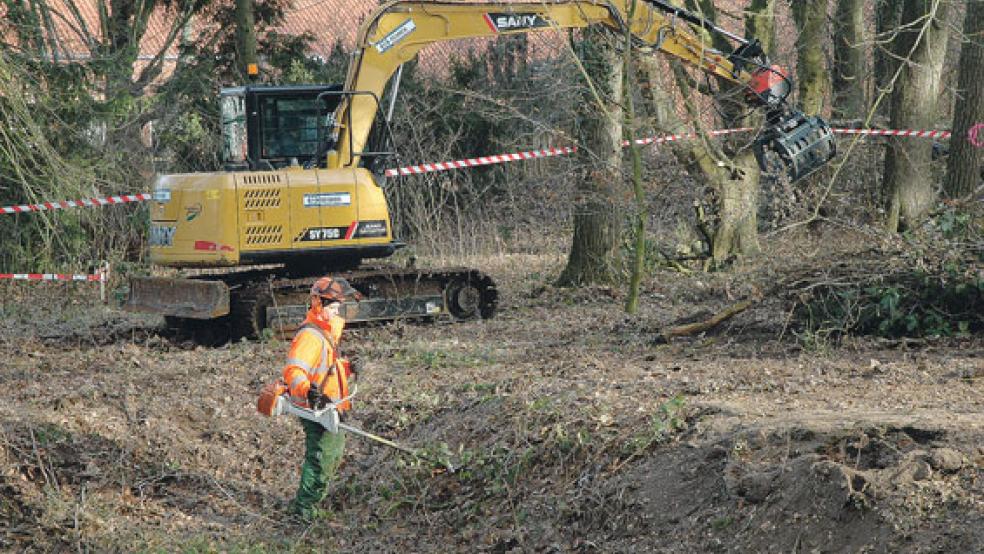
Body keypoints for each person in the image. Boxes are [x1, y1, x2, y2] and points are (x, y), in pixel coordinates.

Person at [282, 275, 361, 519]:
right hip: (316, 407)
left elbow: (327, 366)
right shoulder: (311, 336)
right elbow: (294, 371)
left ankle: (311, 502)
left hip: (330, 404)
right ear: (318, 304)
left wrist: (348, 367)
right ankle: (304, 510)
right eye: (333, 307)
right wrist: (308, 391)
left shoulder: (326, 333)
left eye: (338, 307)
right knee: (321, 458)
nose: (337, 312)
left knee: (331, 455)